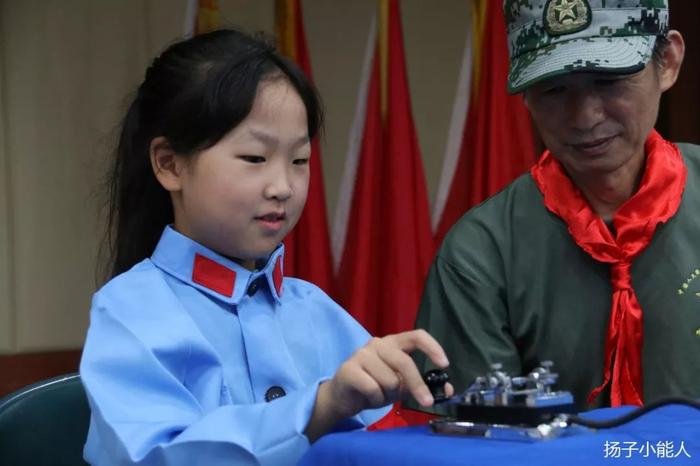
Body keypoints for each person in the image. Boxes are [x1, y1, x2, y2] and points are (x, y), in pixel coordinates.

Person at [80, 29, 451, 466]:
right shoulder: (129, 309)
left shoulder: (316, 309)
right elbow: (157, 458)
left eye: (299, 161)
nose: (282, 187)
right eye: (255, 158)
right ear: (169, 164)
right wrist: (320, 407)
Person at [414, 0, 700, 410]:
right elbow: (478, 440)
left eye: (608, 80)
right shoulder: (482, 254)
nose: (584, 117)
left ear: (668, 62)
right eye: (553, 89)